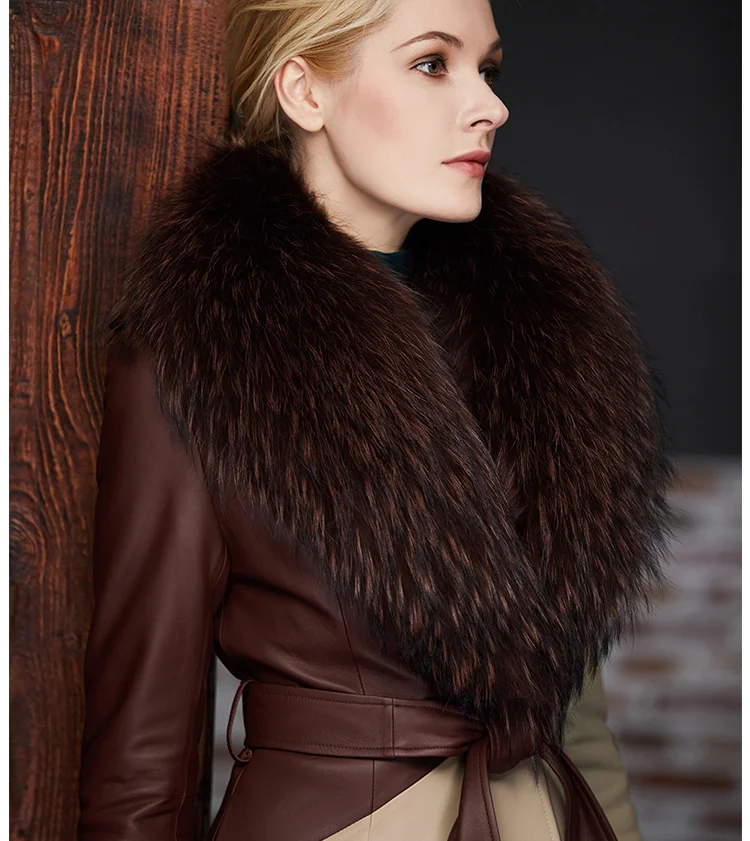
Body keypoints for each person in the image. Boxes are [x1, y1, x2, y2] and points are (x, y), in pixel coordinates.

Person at [77, 0, 675, 839]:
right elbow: (141, 766)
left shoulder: (542, 338)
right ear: (304, 91)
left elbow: (572, 713)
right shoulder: (196, 352)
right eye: (433, 63)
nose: (490, 105)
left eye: (487, 69)